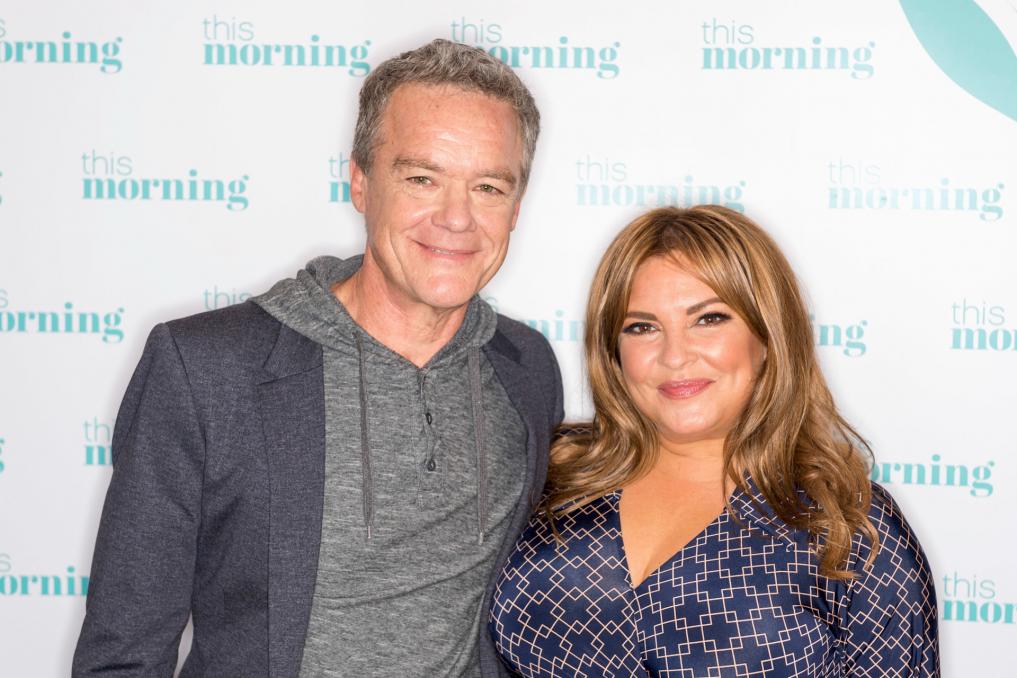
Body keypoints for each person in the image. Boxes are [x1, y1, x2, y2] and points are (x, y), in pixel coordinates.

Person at [73, 39, 563, 677]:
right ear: (361, 181)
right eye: (422, 178)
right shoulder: (205, 369)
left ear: (516, 208)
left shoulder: (526, 368)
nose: (456, 218)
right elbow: (123, 653)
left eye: (488, 187)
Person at [490, 205, 939, 676]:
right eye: (642, 327)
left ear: (768, 338)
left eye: (708, 319)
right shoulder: (549, 478)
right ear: (613, 352)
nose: (675, 355)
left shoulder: (850, 527)